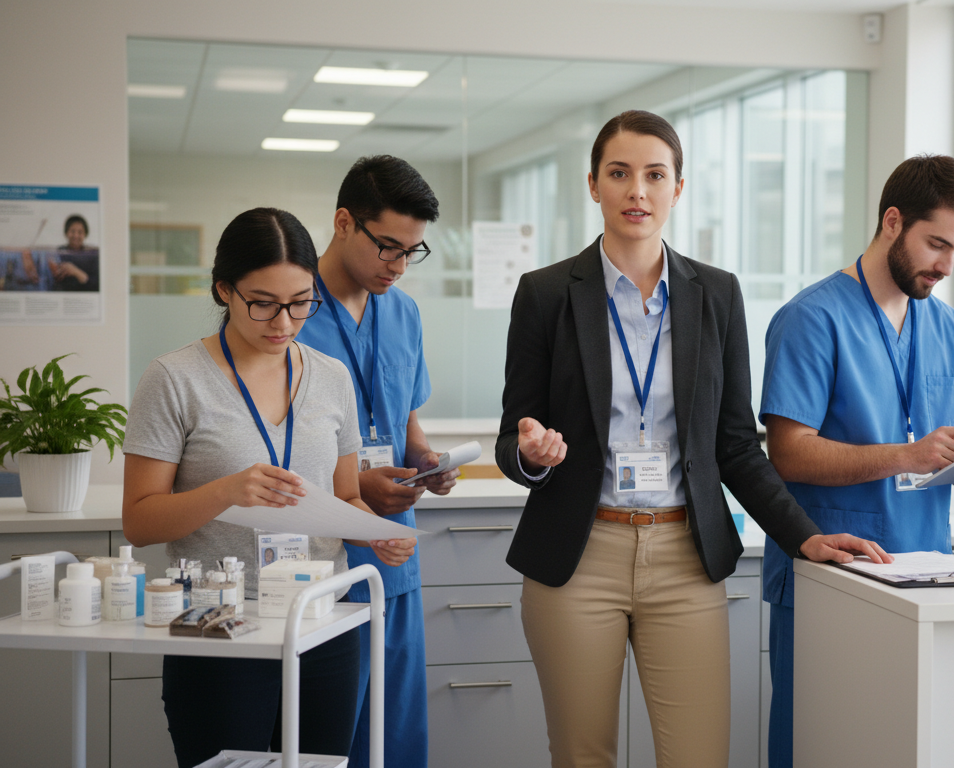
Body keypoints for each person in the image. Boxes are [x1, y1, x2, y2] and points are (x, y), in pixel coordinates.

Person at [495, 109, 890, 768]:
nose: (636, 191)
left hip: (685, 554)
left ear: (679, 188)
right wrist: (530, 453)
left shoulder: (717, 295)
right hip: (578, 554)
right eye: (619, 174)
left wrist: (803, 534)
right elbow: (516, 432)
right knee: (581, 755)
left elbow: (736, 443)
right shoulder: (545, 295)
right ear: (593, 185)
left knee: (699, 757)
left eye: (655, 175)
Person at [121, 207, 416, 768]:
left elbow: (345, 495)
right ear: (224, 290)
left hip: (321, 625)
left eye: (301, 301)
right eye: (263, 302)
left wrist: (372, 534)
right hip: (219, 631)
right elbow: (139, 520)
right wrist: (225, 491)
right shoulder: (175, 379)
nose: (284, 321)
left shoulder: (331, 377)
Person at [758, 154, 954, 768]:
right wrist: (908, 452)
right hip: (833, 574)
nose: (946, 266)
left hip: (928, 569)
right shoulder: (810, 319)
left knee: (906, 746)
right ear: (893, 221)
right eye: (936, 244)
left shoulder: (945, 324)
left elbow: (940, 442)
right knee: (819, 743)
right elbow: (786, 454)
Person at [295, 154, 456, 768]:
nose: (397, 267)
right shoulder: (290, 314)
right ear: (343, 223)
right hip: (318, 556)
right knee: (327, 734)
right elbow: (265, 456)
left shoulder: (403, 314)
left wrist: (430, 462)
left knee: (396, 731)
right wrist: (358, 482)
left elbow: (406, 427)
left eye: (412, 252)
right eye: (388, 247)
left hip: (392, 551)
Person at [51, 214, 100, 291]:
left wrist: (75, 272)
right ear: (66, 232)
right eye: (72, 231)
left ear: (85, 234)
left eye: (80, 232)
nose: (76, 236)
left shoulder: (93, 254)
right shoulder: (60, 251)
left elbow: (96, 284)